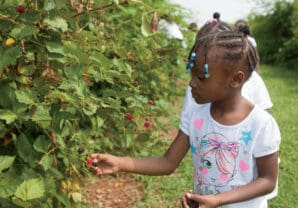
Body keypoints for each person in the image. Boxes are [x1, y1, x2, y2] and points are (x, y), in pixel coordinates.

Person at [88, 30, 281, 208]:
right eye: (191, 74)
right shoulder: (197, 116)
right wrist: (119, 163)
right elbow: (167, 162)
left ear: (236, 79)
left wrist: (218, 199)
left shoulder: (260, 124)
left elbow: (267, 181)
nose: (191, 83)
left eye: (201, 77)